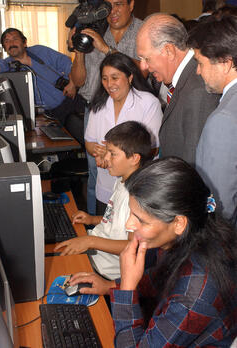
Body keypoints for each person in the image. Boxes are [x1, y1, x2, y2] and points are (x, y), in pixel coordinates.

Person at [69, 157, 237, 347]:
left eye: (141, 220)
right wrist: (109, 286)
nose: (128, 225)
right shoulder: (185, 240)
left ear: (179, 223)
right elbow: (160, 277)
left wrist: (127, 289)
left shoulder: (194, 294)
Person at [69, 0, 144, 215]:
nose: (112, 11)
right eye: (108, 5)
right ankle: (97, 227)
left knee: (133, 174)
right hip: (97, 110)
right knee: (96, 172)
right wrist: (80, 51)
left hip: (134, 113)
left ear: (131, 4)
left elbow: (143, 73)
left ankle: (127, 225)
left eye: (119, 4)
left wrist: (105, 49)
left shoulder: (142, 30)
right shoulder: (93, 29)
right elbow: (78, 80)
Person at [54, 121, 152, 280]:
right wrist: (92, 219)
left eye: (112, 154)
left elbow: (132, 246)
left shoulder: (139, 196)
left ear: (134, 158)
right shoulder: (122, 180)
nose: (106, 158)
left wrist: (90, 241)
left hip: (104, 271)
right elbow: (115, 221)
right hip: (94, 252)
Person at [136, 13, 220, 166]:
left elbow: (194, 163)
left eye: (146, 58)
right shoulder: (185, 79)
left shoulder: (198, 89)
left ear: (169, 50)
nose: (143, 66)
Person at [84, 52, 162, 214]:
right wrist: (99, 153)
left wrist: (111, 153)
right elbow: (90, 142)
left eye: (115, 77)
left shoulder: (148, 103)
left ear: (130, 77)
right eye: (104, 78)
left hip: (137, 188)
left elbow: (152, 149)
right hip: (105, 187)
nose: (109, 84)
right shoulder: (99, 105)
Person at [187, 15, 237, 228]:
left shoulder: (223, 120)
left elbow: (220, 203)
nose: (198, 71)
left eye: (200, 63)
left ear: (225, 63)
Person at [0, 28, 81, 125]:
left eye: (15, 39)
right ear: (4, 48)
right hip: (47, 115)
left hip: (70, 100)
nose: (11, 43)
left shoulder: (40, 51)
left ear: (24, 43)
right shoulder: (7, 64)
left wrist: (72, 83)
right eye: (7, 41)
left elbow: (67, 63)